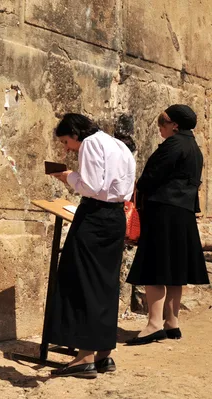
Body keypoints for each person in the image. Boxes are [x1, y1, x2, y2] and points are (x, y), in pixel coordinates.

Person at [48, 113, 136, 378]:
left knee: (81, 280)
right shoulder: (118, 144)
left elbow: (91, 185)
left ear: (75, 134)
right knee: (105, 283)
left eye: (66, 142)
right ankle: (103, 355)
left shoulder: (89, 144)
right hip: (115, 217)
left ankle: (84, 357)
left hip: (95, 216)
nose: (67, 148)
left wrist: (68, 177)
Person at [126, 104, 210, 345]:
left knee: (156, 266)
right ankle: (172, 322)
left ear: (174, 125)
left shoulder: (174, 145)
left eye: (162, 124)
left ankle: (153, 324)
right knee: (174, 269)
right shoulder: (194, 147)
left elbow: (152, 176)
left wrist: (139, 186)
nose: (160, 129)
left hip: (164, 210)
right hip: (182, 212)